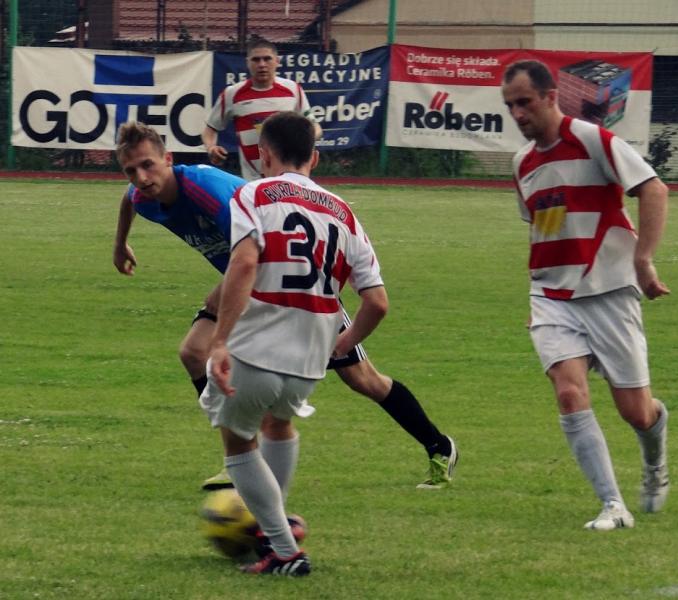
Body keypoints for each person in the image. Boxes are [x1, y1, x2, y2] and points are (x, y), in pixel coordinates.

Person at [113, 121, 457, 491]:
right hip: (251, 288)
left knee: (363, 379)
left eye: (148, 165)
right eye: (131, 170)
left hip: (297, 287)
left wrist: (224, 288)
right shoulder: (142, 196)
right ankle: (241, 456)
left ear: (168, 159)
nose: (141, 178)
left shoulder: (207, 191)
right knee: (194, 353)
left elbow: (256, 252)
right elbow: (129, 201)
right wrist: (120, 244)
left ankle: (439, 445)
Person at [199, 111, 388, 575]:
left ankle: (283, 550)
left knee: (238, 441)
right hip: (310, 356)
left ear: (263, 154)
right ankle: (274, 530)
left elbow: (244, 264)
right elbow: (377, 302)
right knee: (278, 423)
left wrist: (219, 341)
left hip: (259, 341)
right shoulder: (344, 212)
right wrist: (343, 344)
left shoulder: (254, 193)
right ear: (314, 158)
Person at [501, 60, 670, 530]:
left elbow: (654, 190)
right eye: (510, 105)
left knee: (637, 413)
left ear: (550, 97)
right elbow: (543, 226)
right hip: (551, 295)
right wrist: (538, 296)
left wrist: (643, 260)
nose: (517, 114)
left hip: (608, 288)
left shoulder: (593, 139)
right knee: (569, 392)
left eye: (524, 102)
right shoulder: (521, 163)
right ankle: (613, 505)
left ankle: (655, 463)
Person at [202, 37, 322, 181]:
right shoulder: (232, 94)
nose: (262, 64)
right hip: (252, 180)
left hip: (287, 177)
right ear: (247, 62)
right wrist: (211, 148)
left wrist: (300, 141)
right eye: (256, 60)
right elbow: (210, 129)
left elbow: (315, 127)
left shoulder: (293, 90)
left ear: (277, 61)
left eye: (267, 59)